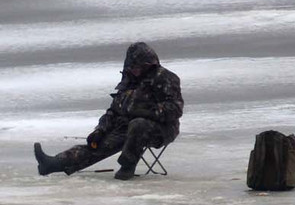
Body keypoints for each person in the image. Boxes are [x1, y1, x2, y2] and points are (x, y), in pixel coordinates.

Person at [33, 42, 183, 180]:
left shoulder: (165, 78)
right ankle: (53, 163)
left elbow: (175, 109)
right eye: (133, 67)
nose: (135, 70)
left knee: (138, 124)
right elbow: (113, 110)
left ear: (148, 64)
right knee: (97, 146)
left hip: (160, 129)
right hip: (126, 126)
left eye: (138, 67)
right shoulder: (129, 79)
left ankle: (127, 166)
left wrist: (144, 111)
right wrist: (100, 130)